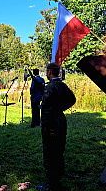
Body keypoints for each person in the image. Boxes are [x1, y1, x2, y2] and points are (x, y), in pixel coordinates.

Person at [37, 63, 76, 191]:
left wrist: (43, 108)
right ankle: (57, 180)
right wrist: (61, 108)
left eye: (47, 71)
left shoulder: (51, 87)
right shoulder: (62, 85)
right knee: (59, 152)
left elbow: (47, 107)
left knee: (50, 154)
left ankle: (51, 185)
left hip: (51, 125)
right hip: (60, 122)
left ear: (49, 72)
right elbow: (72, 99)